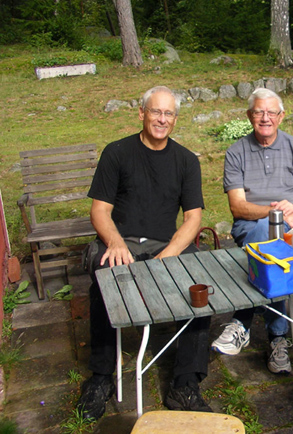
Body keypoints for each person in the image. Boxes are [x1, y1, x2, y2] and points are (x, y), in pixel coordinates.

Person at [77, 86, 212, 420]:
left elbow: (193, 218)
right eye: (155, 112)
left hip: (165, 245)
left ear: (175, 119)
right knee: (103, 280)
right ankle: (101, 376)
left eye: (168, 114)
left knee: (202, 289)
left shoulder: (185, 161)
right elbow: (99, 211)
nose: (161, 119)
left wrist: (169, 254)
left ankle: (185, 383)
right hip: (120, 242)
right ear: (142, 113)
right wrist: (115, 242)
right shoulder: (117, 153)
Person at [211, 88, 293, 374]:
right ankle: (278, 339)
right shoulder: (236, 152)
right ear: (249, 116)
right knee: (267, 234)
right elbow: (238, 208)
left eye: (271, 112)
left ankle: (242, 323)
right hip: (250, 227)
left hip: (291, 226)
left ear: (281, 116)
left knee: (274, 238)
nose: (265, 118)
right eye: (259, 112)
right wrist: (273, 213)